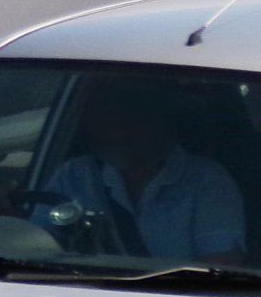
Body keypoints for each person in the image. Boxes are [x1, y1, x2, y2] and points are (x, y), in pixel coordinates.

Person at [42, 81, 245, 264]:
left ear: (165, 117)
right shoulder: (74, 175)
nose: (117, 128)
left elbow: (219, 271)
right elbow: (35, 246)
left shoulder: (207, 181)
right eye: (105, 113)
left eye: (132, 114)